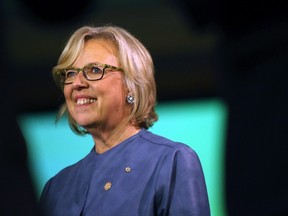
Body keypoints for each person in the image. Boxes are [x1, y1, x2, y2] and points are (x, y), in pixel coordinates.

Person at [39, 25, 210, 216]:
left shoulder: (171, 161)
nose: (77, 83)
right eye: (70, 73)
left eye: (94, 70)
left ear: (132, 84)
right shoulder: (56, 188)